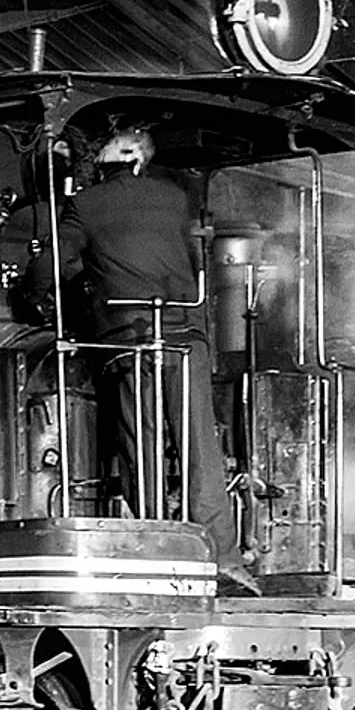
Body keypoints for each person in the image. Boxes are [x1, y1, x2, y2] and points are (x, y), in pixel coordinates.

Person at [55, 128, 259, 595]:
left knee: (140, 447)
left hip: (130, 337)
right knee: (200, 450)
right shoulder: (173, 198)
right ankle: (223, 559)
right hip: (185, 332)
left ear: (112, 157)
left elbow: (56, 264)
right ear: (143, 160)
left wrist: (49, 289)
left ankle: (157, 557)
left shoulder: (86, 204)